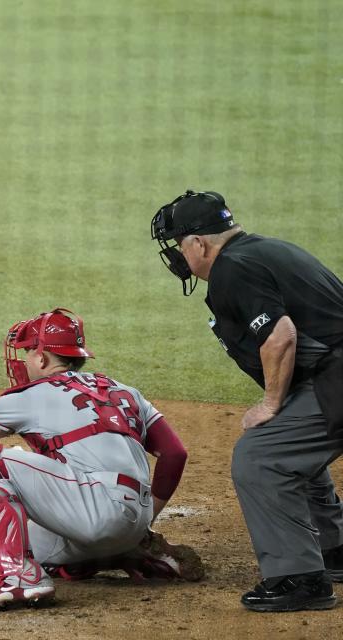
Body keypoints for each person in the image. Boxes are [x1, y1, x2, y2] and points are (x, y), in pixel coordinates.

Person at [0, 308, 195, 610]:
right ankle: (123, 553)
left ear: (42, 357)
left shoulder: (30, 395)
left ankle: (21, 578)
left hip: (95, 512)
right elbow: (175, 455)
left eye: (28, 351)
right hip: (130, 524)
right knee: (29, 542)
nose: (23, 359)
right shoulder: (125, 392)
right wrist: (143, 520)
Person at [151, 189, 343, 612]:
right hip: (329, 375)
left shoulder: (232, 269)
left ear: (199, 243)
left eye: (179, 245)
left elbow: (281, 336)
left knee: (259, 458)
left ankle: (301, 580)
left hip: (336, 379)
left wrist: (272, 402)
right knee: (285, 445)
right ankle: (334, 549)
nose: (178, 257)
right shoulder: (267, 250)